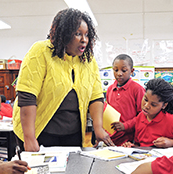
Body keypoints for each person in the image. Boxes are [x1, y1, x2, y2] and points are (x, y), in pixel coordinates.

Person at [12, 8, 114, 152]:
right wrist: (29, 138)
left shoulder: (88, 60)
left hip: (73, 133)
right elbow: (27, 96)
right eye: (78, 34)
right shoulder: (41, 51)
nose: (84, 40)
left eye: (86, 35)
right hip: (39, 132)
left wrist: (98, 128)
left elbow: (96, 97)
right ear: (64, 34)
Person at [122, 78, 173, 148]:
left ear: (164, 105)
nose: (146, 106)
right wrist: (132, 146)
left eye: (153, 105)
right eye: (145, 99)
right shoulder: (140, 117)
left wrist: (172, 142)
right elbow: (139, 144)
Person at [106, 54, 145, 146]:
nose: (119, 73)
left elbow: (143, 115)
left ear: (131, 71)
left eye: (124, 70)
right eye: (116, 70)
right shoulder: (110, 89)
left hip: (130, 140)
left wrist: (125, 126)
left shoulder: (138, 89)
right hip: (112, 139)